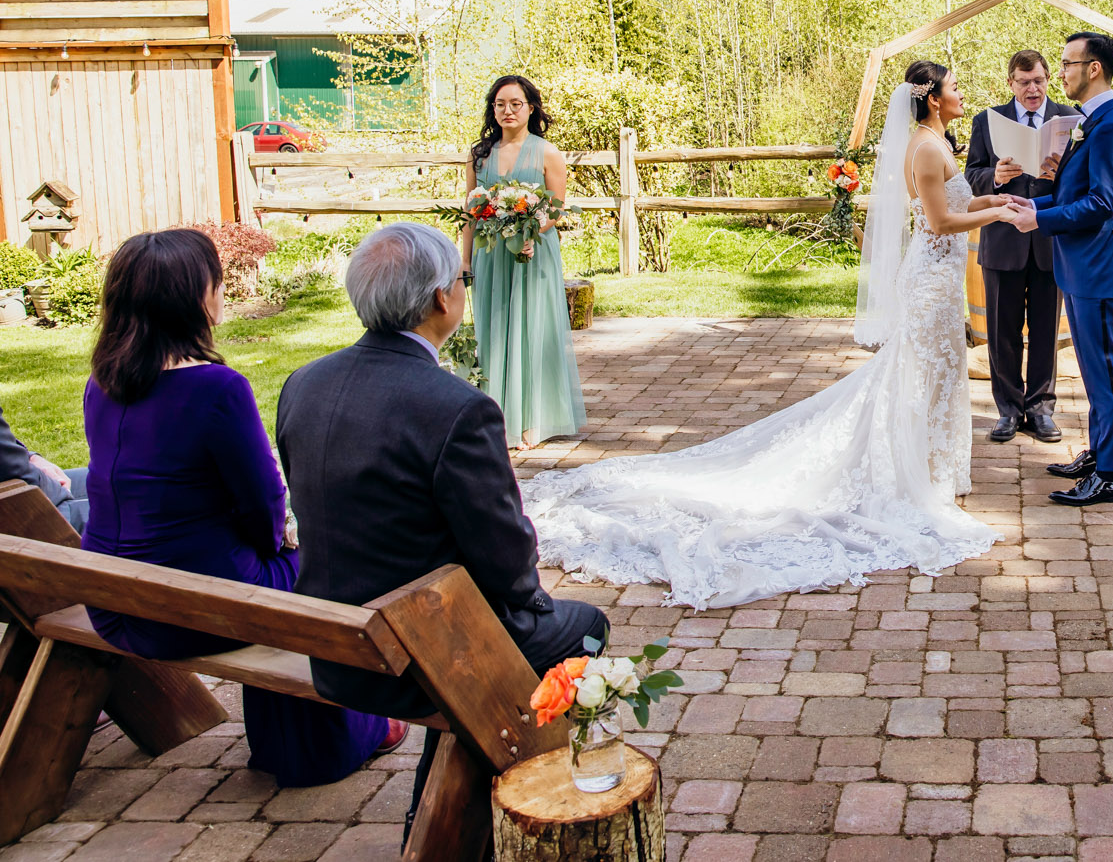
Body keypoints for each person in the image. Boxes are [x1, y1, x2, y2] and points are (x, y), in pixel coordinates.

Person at [520, 61, 1029, 608]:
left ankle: (931, 469)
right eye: (953, 88)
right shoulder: (926, 149)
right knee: (924, 377)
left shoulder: (933, 141)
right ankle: (917, 476)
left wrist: (997, 201)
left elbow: (956, 203)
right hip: (929, 284)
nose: (960, 94)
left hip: (939, 280)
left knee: (934, 378)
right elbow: (938, 222)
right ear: (931, 98)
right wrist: (997, 218)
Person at [276, 222, 608, 837]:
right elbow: (507, 556)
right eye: (461, 279)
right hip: (416, 656)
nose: (463, 289)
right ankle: (489, 818)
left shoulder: (304, 384)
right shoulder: (456, 407)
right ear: (439, 300)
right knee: (585, 628)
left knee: (511, 647)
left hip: (335, 644)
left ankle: (452, 802)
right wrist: (532, 607)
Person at [81, 229, 396, 788]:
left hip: (111, 599)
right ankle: (344, 735)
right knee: (333, 567)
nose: (221, 291)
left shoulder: (100, 383)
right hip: (192, 610)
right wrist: (283, 541)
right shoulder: (217, 389)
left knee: (283, 571)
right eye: (214, 281)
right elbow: (265, 503)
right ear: (189, 300)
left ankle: (293, 737)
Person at [1010, 32, 1113, 508]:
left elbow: (1101, 204)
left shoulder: (1111, 128)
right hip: (1081, 268)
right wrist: (1034, 200)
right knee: (1092, 371)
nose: (1060, 72)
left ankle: (1111, 476)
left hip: (1099, 269)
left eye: (1067, 63)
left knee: (1107, 371)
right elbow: (1074, 194)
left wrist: (1039, 220)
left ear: (1094, 69)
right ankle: (1101, 451)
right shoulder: (1090, 122)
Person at [464, 74, 585, 447]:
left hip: (533, 254)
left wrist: (530, 235)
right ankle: (496, 418)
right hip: (490, 256)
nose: (507, 111)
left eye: (515, 104)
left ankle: (534, 419)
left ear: (530, 108)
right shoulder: (478, 155)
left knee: (533, 331)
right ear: (492, 109)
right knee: (494, 330)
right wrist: (463, 262)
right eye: (500, 104)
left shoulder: (547, 152)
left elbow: (557, 207)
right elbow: (469, 211)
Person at [965, 48, 1078, 444]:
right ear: (1010, 82)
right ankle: (1008, 411)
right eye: (1024, 82)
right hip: (1002, 241)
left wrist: (1058, 172)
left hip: (1049, 240)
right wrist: (993, 176)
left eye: (1039, 81)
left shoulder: (1071, 121)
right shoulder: (987, 121)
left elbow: (1080, 180)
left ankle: (1041, 408)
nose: (1032, 89)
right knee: (1002, 332)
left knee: (1046, 331)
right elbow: (970, 177)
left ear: (1048, 79)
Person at [0, 401, 88, 531]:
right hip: (32, 513)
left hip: (21, 493)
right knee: (126, 506)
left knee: (111, 478)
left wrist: (30, 456)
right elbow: (14, 471)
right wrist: (58, 487)